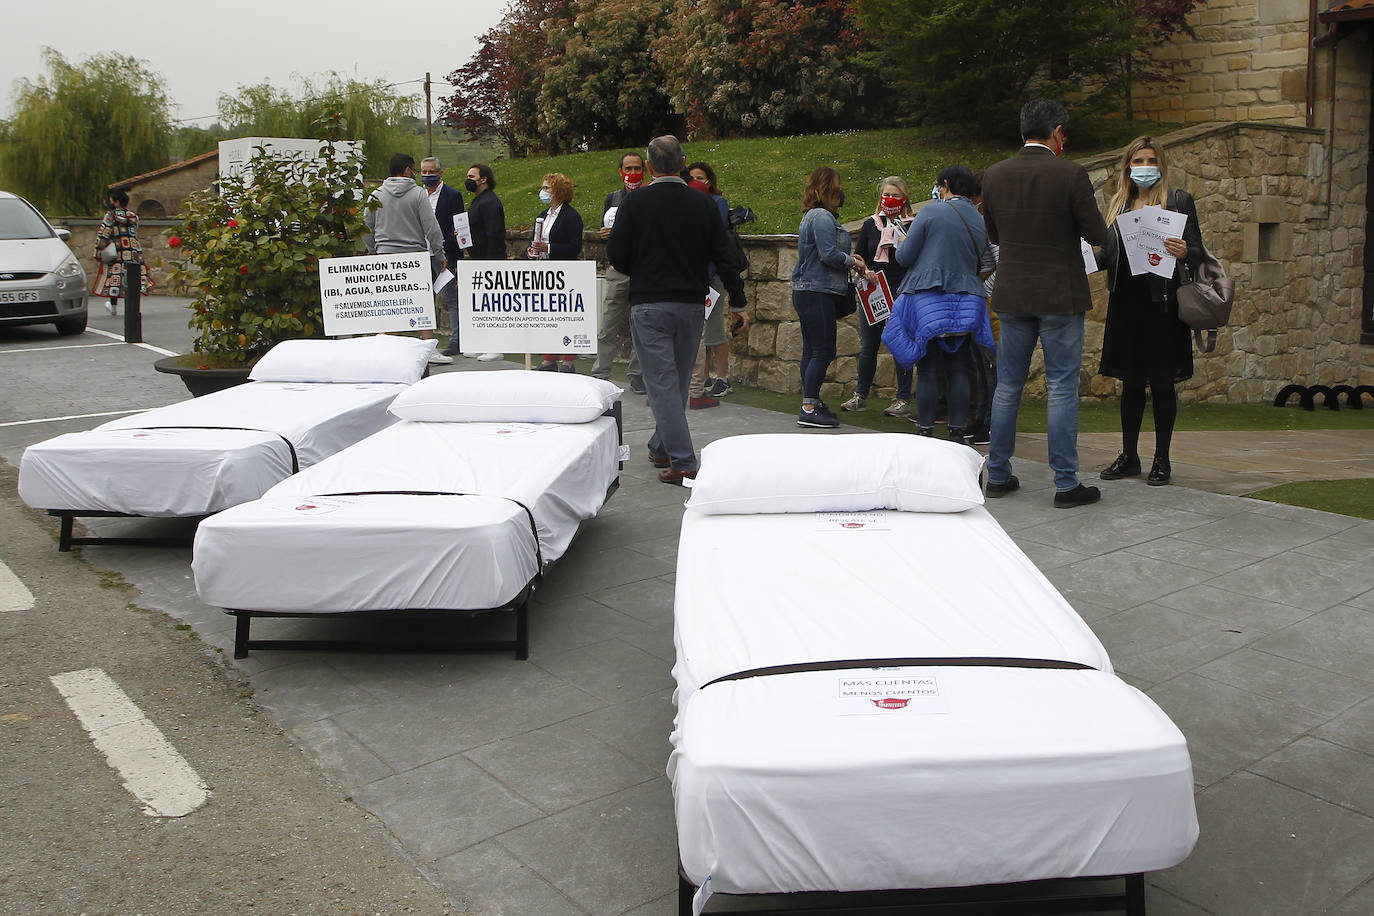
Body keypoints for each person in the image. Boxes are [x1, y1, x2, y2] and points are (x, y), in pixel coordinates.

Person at [979, 99, 1109, 509]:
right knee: (1061, 388)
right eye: (1063, 133)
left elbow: (995, 235)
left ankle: (997, 474)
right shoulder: (1071, 174)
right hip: (1059, 294)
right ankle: (1066, 483)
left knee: (1007, 387)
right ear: (1056, 132)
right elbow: (1097, 233)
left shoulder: (996, 176)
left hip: (1014, 293)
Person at [606, 136, 749, 484]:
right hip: (690, 304)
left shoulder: (635, 204)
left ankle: (684, 461)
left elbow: (617, 256)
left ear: (650, 167)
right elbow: (726, 256)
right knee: (677, 382)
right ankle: (660, 445)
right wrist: (739, 301)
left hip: (650, 302)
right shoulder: (703, 204)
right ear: (683, 163)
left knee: (664, 384)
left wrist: (642, 264)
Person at [1095, 137, 1203, 487]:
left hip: (1163, 305)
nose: (1145, 167)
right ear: (1128, 166)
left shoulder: (1177, 200)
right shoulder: (1118, 206)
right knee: (1130, 383)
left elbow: (1199, 251)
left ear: (1161, 164)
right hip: (1126, 303)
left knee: (1161, 384)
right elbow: (1107, 255)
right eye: (1138, 160)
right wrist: (1075, 258)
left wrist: (1186, 250)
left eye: (1151, 160)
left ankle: (1162, 459)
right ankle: (1129, 455)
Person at [881, 166, 995, 443]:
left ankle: (925, 431)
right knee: (958, 367)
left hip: (929, 300)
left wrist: (902, 241)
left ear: (945, 185)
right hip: (968, 301)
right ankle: (957, 431)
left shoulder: (931, 212)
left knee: (929, 367)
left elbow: (905, 257)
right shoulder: (980, 220)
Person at [792, 166, 865, 428]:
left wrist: (849, 259)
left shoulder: (815, 215)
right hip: (816, 291)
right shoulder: (821, 217)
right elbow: (828, 254)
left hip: (810, 290)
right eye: (836, 187)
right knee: (823, 349)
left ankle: (810, 401)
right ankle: (809, 407)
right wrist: (853, 262)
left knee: (813, 349)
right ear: (825, 188)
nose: (840, 191)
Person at [364, 153, 451, 364]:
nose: (416, 174)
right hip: (414, 255)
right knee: (421, 302)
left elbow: (366, 227)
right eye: (413, 170)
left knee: (389, 302)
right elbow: (431, 227)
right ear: (406, 170)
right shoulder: (419, 194)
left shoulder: (375, 195)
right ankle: (428, 346)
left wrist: (374, 249)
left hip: (385, 254)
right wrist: (439, 253)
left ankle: (388, 348)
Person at [843, 176, 914, 417]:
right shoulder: (870, 225)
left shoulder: (913, 224)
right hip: (873, 291)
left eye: (895, 195)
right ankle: (860, 395)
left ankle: (903, 399)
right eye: (886, 194)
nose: (889, 199)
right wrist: (864, 269)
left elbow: (916, 258)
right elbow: (859, 255)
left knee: (899, 344)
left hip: (900, 289)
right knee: (868, 345)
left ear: (904, 198)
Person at [591, 153, 646, 391]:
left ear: (644, 170)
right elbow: (608, 234)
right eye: (628, 168)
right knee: (607, 325)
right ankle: (600, 373)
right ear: (620, 171)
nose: (632, 173)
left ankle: (637, 375)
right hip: (618, 270)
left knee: (641, 326)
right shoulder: (612, 199)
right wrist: (606, 237)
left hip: (645, 271)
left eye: (637, 168)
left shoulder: (650, 196)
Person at [685, 161, 733, 408]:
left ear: (710, 180)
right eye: (692, 178)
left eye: (700, 178)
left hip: (711, 277)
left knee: (714, 330)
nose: (696, 182)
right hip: (692, 277)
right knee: (698, 333)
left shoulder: (716, 203)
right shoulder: (684, 204)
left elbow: (717, 239)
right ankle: (701, 378)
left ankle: (722, 377)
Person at [529, 173, 585, 372]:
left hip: (565, 272)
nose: (543, 192)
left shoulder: (571, 216)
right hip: (544, 271)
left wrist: (549, 248)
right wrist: (533, 250)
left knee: (566, 318)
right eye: (543, 187)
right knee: (548, 317)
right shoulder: (543, 215)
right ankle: (549, 359)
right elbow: (535, 239)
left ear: (559, 192)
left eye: (547, 188)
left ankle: (568, 361)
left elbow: (574, 246)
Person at [419, 157, 466, 357]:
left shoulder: (452, 195)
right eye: (424, 172)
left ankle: (456, 341)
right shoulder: (418, 195)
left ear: (440, 173)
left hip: (445, 255)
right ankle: (426, 341)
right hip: (421, 253)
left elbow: (456, 226)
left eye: (431, 172)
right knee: (423, 298)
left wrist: (444, 246)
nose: (427, 176)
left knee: (451, 298)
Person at [461, 163, 505, 361]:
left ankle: (496, 346)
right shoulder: (479, 201)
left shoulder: (490, 202)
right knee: (482, 304)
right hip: (479, 259)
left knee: (492, 305)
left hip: (490, 261)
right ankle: (482, 343)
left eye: (472, 176)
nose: (468, 179)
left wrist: (490, 263)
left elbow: (494, 234)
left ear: (483, 179)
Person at [94, 189, 153, 316]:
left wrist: (98, 250)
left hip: (118, 249)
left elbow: (104, 233)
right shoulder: (133, 216)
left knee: (115, 276)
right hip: (134, 250)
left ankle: (113, 306)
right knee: (133, 277)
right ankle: (133, 306)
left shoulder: (110, 215)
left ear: (117, 202)